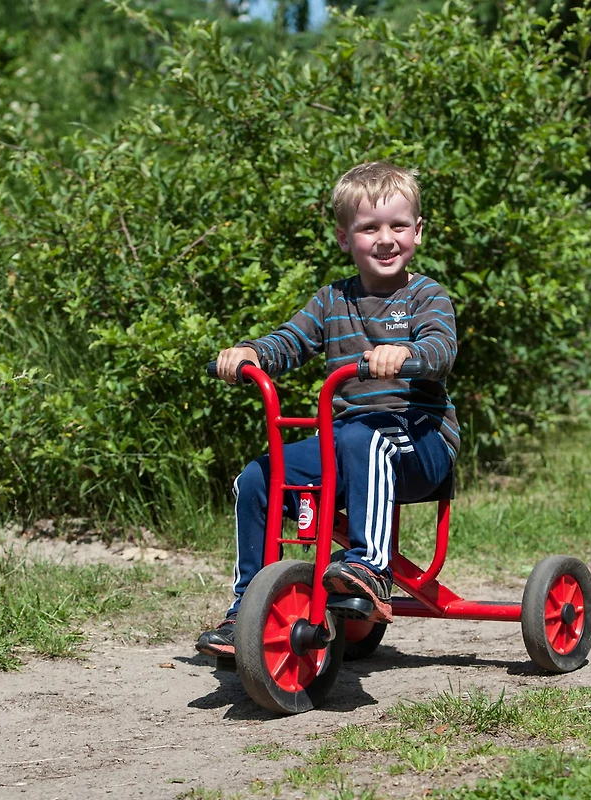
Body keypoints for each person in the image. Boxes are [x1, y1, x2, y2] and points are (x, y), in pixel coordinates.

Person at [196, 161, 459, 658]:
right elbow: (289, 341)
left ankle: (368, 568)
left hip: (420, 441)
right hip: (350, 441)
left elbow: (441, 349)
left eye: (398, 226)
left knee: (364, 440)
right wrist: (251, 354)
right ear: (344, 238)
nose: (385, 239)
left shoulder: (426, 296)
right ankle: (249, 610)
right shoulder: (331, 300)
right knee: (257, 477)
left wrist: (406, 355)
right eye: (369, 228)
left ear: (418, 232)